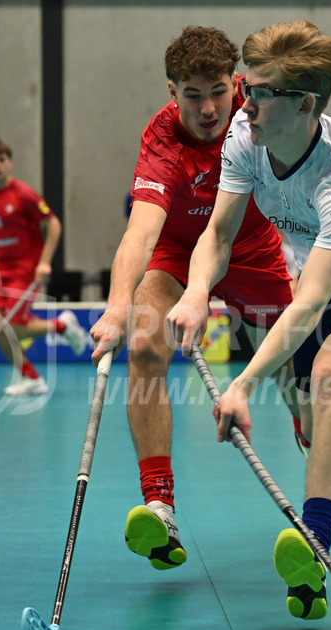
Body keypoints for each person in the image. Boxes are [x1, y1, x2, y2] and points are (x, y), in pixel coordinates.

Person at [166, 21, 331, 621]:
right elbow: (220, 232)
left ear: (304, 104)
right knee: (317, 426)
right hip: (313, 261)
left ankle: (314, 546)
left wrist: (240, 386)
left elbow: (309, 303)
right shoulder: (245, 131)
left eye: (259, 91)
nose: (243, 100)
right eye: (246, 84)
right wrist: (197, 291)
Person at [88, 26, 298, 573]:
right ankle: (160, 506)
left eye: (218, 92)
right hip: (179, 252)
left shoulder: (260, 118)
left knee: (301, 376)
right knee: (145, 344)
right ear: (172, 90)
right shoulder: (162, 138)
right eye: (192, 94)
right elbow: (140, 233)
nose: (207, 108)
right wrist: (116, 305)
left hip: (253, 249)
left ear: (239, 83)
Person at [0, 138, 87, 396]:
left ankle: (62, 326)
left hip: (25, 269)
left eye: (2, 160)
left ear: (9, 163)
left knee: (12, 326)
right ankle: (31, 378)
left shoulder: (24, 194)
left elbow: (53, 224)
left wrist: (44, 262)